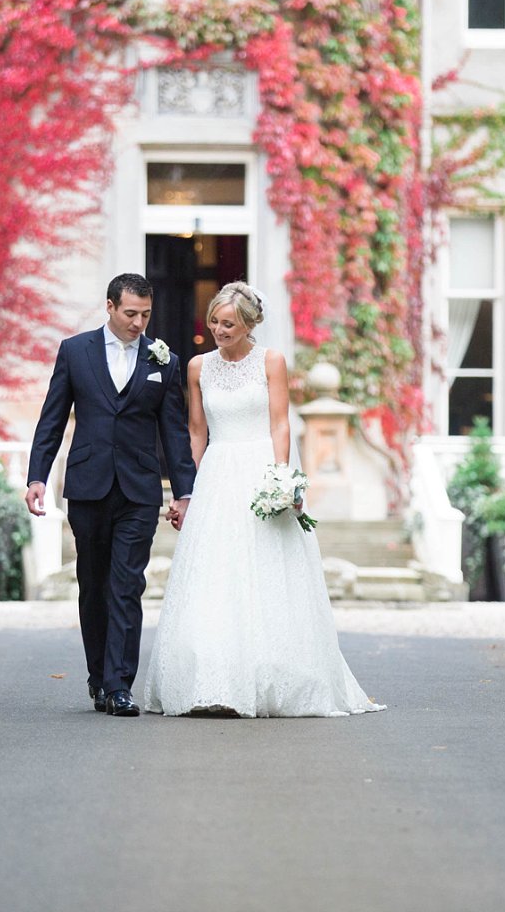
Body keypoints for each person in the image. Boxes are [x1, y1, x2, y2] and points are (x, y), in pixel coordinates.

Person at [143, 281, 384, 718]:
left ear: (250, 324)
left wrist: (281, 476)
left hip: (259, 468)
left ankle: (270, 674)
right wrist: (186, 491)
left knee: (267, 568)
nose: (219, 329)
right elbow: (196, 432)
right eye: (214, 321)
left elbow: (280, 424)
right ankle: (209, 679)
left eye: (229, 323)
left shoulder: (271, 361)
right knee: (215, 573)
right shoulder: (198, 367)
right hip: (217, 473)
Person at [25, 273, 196, 717]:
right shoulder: (74, 351)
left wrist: (184, 492)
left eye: (145, 315)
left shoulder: (165, 360)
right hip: (88, 485)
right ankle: (98, 677)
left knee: (127, 585)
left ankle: (120, 685)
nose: (138, 323)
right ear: (109, 307)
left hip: (139, 491)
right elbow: (52, 418)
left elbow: (174, 432)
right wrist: (37, 476)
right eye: (130, 313)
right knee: (94, 585)